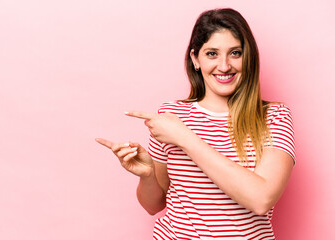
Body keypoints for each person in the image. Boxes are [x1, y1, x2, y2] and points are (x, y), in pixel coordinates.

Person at [96, 8, 295, 240]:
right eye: (212, 53)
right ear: (195, 59)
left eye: (235, 53)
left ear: (248, 57)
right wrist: (147, 175)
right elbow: (153, 206)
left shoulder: (274, 117)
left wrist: (184, 138)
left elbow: (261, 199)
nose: (224, 66)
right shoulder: (170, 116)